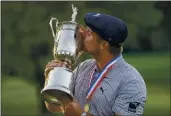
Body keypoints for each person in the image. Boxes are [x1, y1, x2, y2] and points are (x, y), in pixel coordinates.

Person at [44, 13, 147, 116]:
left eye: (89, 33)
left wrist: (81, 115)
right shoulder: (84, 67)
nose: (82, 34)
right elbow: (54, 106)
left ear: (103, 45)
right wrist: (52, 79)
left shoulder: (131, 81)